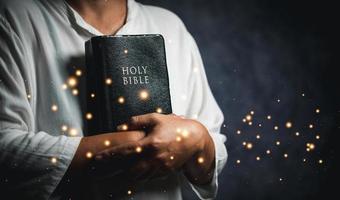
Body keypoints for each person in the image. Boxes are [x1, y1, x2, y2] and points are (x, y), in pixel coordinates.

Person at [0, 0, 227, 199]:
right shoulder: (13, 16)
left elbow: (211, 147)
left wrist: (200, 141)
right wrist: (157, 143)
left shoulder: (170, 25)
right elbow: (6, 150)